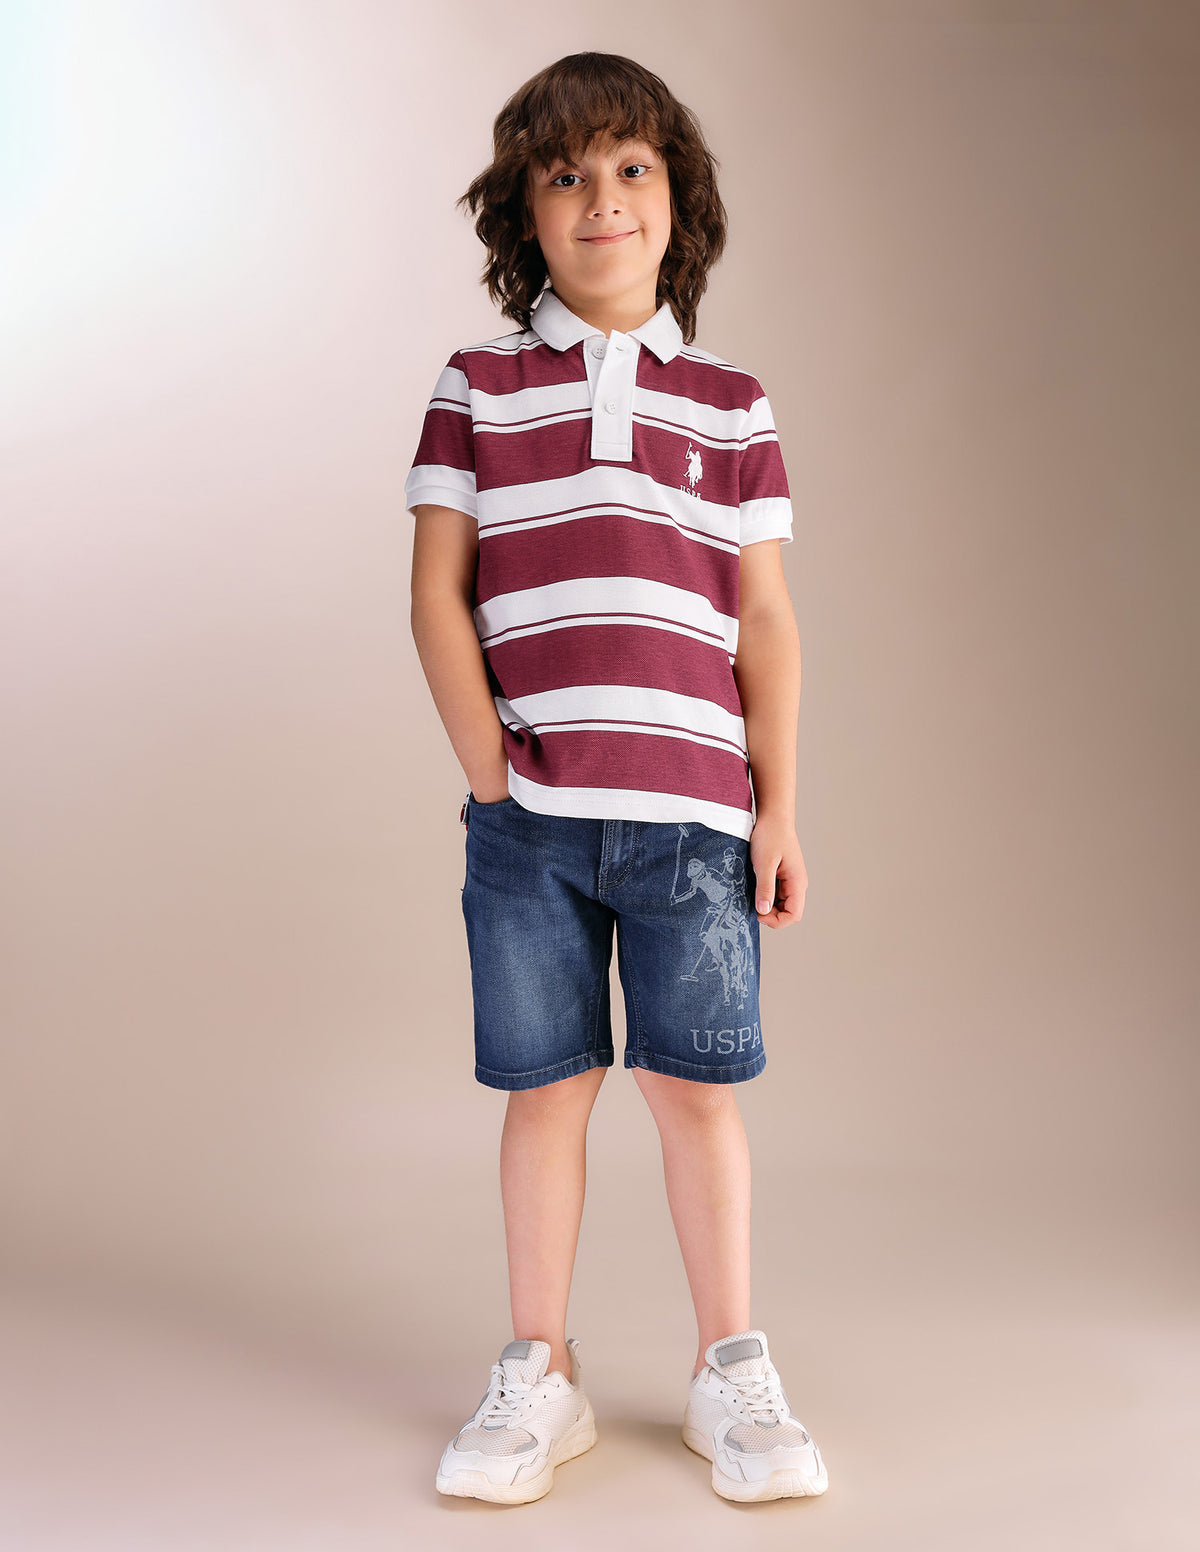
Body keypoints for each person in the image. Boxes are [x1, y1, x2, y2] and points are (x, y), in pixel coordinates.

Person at [405, 51, 828, 1506]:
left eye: (632, 168)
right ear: (524, 212)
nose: (602, 199)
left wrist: (779, 806)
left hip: (698, 822)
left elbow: (764, 617)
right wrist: (491, 771)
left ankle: (730, 1369)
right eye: (565, 174)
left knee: (697, 1093)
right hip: (530, 825)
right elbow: (438, 592)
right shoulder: (477, 387)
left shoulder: (731, 403)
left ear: (677, 203)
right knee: (546, 1090)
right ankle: (543, 1369)